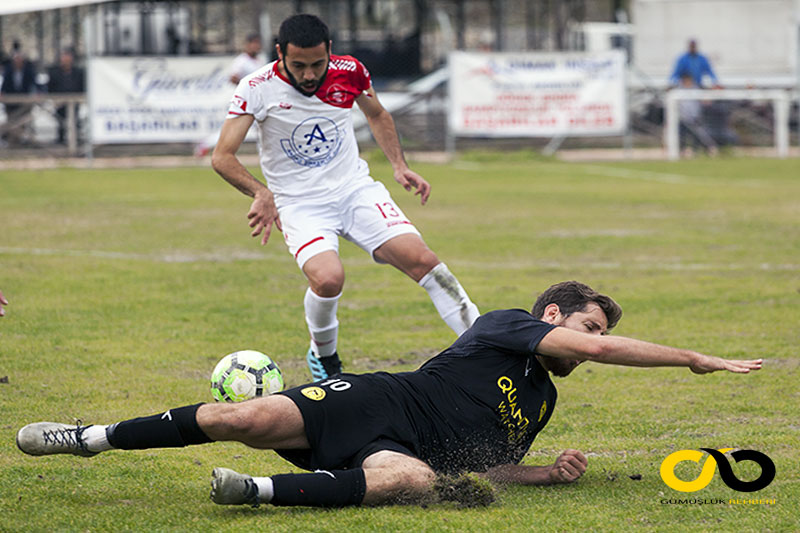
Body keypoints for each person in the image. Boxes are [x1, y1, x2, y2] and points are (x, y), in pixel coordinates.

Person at [16, 280, 762, 508]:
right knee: (244, 414)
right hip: (380, 401)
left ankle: (260, 491)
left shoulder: (543, 404)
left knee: (411, 480)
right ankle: (90, 436)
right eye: (587, 329)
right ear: (553, 317)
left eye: (595, 334)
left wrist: (545, 472)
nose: (590, 346)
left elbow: (489, 463)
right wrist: (694, 357)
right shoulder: (505, 326)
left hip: (397, 449)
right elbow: (599, 346)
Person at [210, 14, 479, 380]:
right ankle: (325, 357)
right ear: (279, 54)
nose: (309, 75)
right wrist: (260, 192)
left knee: (424, 261)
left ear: (330, 52)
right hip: (299, 203)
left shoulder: (350, 72)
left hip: (355, 190)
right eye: (298, 65)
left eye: (317, 65)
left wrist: (399, 166)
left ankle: (482, 344)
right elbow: (222, 156)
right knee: (328, 279)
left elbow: (378, 114)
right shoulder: (256, 87)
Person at [194, 32, 265, 157]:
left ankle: (265, 154)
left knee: (263, 127)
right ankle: (205, 144)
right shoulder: (242, 60)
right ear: (247, 45)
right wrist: (248, 86)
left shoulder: (259, 60)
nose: (257, 46)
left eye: (258, 44)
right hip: (245, 101)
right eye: (254, 43)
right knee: (233, 129)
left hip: (258, 101)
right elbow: (233, 78)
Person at [47, 47, 85, 145]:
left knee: (75, 121)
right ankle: (60, 139)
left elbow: (82, 86)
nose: (66, 60)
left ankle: (75, 140)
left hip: (74, 101)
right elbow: (50, 87)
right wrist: (54, 99)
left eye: (68, 58)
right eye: (64, 58)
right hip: (60, 102)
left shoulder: (78, 72)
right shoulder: (54, 72)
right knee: (60, 122)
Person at [0, 49, 38, 145]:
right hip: (11, 104)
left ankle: (24, 142)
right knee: (12, 123)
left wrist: (37, 93)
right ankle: (13, 143)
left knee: (23, 122)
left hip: (24, 104)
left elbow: (34, 84)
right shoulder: (8, 71)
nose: (18, 61)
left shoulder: (29, 71)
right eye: (16, 59)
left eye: (19, 59)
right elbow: (4, 86)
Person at [676, 74, 718, 157]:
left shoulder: (696, 89)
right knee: (681, 136)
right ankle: (681, 152)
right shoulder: (678, 90)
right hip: (683, 118)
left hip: (695, 117)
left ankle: (697, 151)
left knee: (698, 136)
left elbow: (705, 101)